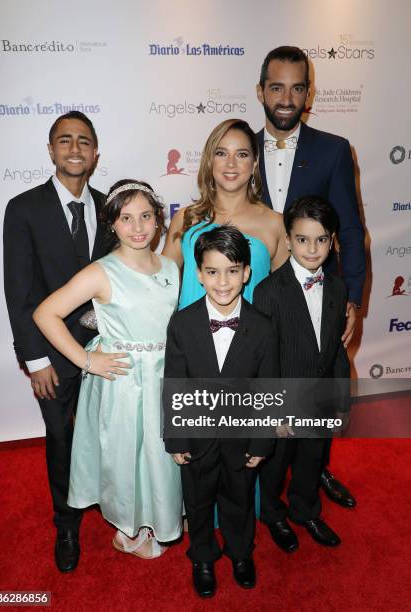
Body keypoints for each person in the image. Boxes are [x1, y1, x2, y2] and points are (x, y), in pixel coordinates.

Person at [33, 180, 183, 560]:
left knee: (159, 453)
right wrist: (86, 360)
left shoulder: (170, 266)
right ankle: (129, 526)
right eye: (126, 218)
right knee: (126, 455)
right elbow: (45, 313)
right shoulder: (102, 272)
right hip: (123, 381)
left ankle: (159, 514)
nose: (137, 227)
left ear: (158, 220)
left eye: (146, 216)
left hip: (163, 377)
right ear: (111, 224)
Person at [256, 45, 366, 507]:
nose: (286, 98)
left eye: (296, 88)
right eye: (277, 87)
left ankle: (313, 473)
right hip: (259, 297)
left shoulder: (334, 150)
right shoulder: (236, 149)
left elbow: (354, 231)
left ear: (309, 93)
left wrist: (354, 302)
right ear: (261, 91)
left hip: (319, 298)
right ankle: (263, 490)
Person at [3, 111, 106, 572]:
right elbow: (19, 290)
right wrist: (35, 358)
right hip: (52, 357)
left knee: (105, 435)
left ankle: (110, 504)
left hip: (103, 354)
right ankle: (66, 524)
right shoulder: (23, 208)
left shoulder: (109, 208)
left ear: (95, 152)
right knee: (61, 438)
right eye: (65, 140)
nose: (75, 149)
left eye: (84, 141)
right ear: (51, 150)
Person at [164, 226, 279, 598]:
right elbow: (175, 384)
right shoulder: (182, 323)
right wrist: (176, 437)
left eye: (232, 270)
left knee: (239, 499)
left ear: (246, 272)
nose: (223, 281)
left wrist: (261, 442)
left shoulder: (263, 328)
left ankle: (241, 552)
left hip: (241, 439)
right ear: (198, 274)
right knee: (197, 502)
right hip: (195, 438)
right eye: (212, 272)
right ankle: (201, 556)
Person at [253, 196, 350, 552]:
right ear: (289, 240)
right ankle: (273, 513)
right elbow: (262, 359)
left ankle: (305, 508)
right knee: (275, 466)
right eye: (303, 239)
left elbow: (336, 350)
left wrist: (340, 402)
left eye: (321, 239)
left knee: (312, 459)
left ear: (333, 240)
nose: (312, 248)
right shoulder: (268, 292)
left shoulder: (338, 289)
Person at [163, 118, 289, 308]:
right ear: (209, 160)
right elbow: (160, 287)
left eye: (242, 154)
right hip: (189, 336)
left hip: (254, 336)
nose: (231, 164)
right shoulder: (185, 219)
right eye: (221, 153)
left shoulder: (275, 223)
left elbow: (287, 297)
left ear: (254, 162)